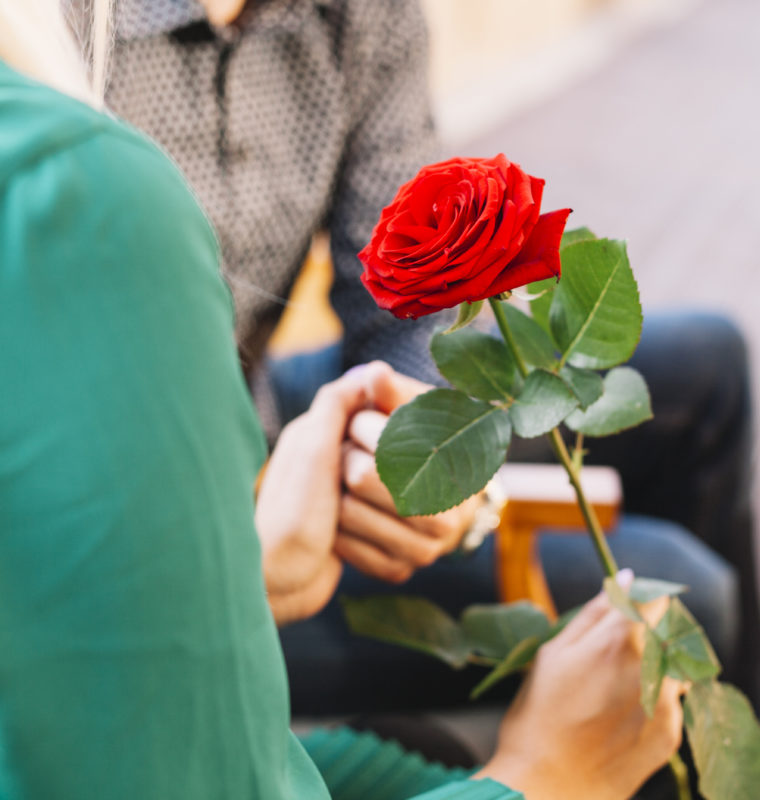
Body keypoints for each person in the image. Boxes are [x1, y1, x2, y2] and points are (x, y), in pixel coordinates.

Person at [0, 2, 686, 797]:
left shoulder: (360, 17)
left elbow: (409, 305)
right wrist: (543, 775)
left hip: (255, 457)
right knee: (680, 595)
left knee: (706, 369)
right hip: (209, 508)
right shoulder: (85, 188)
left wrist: (411, 445)